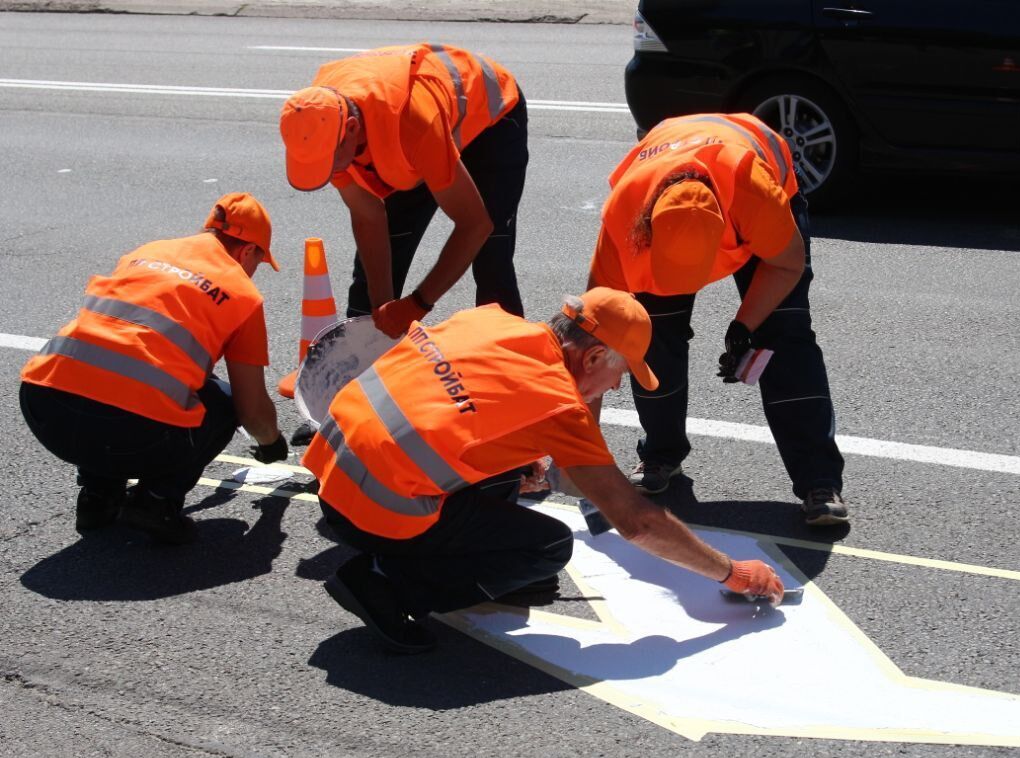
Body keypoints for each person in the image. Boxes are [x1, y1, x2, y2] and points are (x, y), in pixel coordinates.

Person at [304, 289, 784, 653]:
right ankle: (384, 584)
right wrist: (733, 573)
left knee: (512, 482)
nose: (615, 387)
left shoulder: (488, 320)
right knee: (547, 547)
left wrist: (524, 462)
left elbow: (438, 404)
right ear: (593, 356)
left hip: (332, 481)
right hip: (375, 511)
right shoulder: (558, 404)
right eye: (620, 372)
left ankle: (430, 560)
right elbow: (636, 522)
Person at [587, 112, 848, 526]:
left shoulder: (754, 194)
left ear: (726, 232)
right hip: (671, 173)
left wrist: (745, 324)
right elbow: (593, 340)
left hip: (753, 173)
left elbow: (785, 264)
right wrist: (584, 459)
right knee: (651, 337)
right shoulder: (623, 217)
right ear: (645, 234)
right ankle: (660, 455)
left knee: (785, 335)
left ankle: (819, 481)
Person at [18, 193, 289, 544]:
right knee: (222, 403)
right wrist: (271, 443)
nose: (254, 272)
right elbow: (251, 410)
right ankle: (157, 501)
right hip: (126, 432)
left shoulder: (146, 253)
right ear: (247, 251)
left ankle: (98, 497)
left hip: (45, 408)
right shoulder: (242, 293)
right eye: (258, 262)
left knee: (116, 379)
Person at [278, 42, 529, 340]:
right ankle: (365, 365)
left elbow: (475, 225)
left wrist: (416, 304)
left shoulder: (414, 127)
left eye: (329, 164)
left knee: (491, 256)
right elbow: (368, 217)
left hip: (492, 116)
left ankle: (511, 361)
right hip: (413, 131)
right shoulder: (316, 121)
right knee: (378, 272)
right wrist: (382, 312)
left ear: (353, 130)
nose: (330, 173)